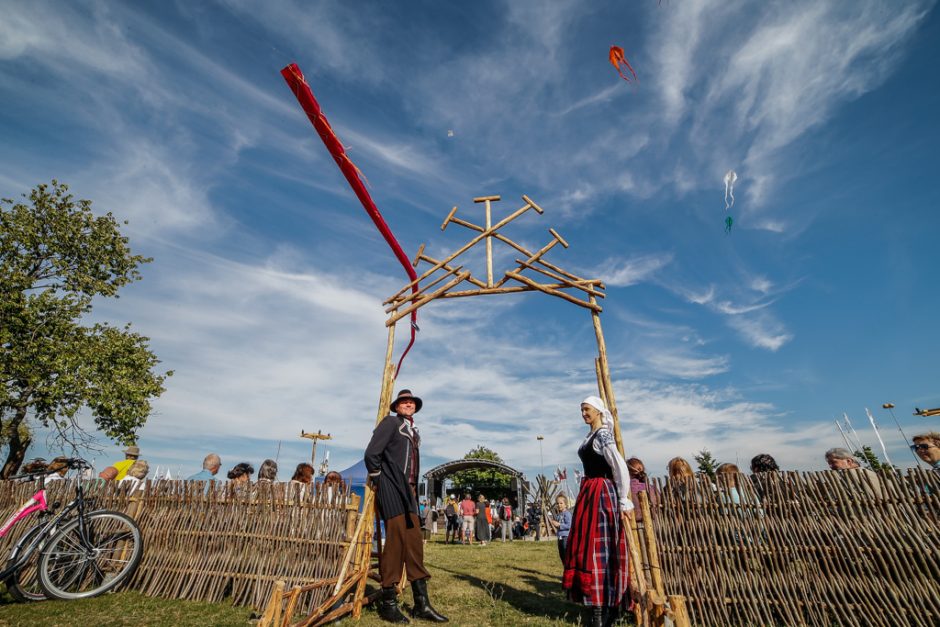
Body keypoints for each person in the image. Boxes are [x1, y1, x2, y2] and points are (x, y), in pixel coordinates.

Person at [364, 389, 447, 623]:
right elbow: (371, 454)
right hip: (392, 489)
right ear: (397, 406)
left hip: (409, 492)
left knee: (414, 543)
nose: (408, 404)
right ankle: (388, 603)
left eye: (411, 402)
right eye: (404, 401)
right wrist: (382, 480)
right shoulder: (391, 423)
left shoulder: (413, 431)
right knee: (396, 542)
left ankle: (422, 604)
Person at [562, 396, 634, 627]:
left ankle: (603, 611)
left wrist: (623, 499)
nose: (583, 413)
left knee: (598, 548)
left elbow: (619, 465)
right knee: (587, 547)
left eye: (586, 409)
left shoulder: (602, 434)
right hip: (590, 492)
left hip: (602, 492)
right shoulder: (591, 435)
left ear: (598, 411)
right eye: (581, 409)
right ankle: (596, 608)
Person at [548, 494, 572, 561]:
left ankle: (568, 569)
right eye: (557, 503)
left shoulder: (567, 514)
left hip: (565, 537)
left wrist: (559, 525)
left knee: (566, 554)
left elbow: (569, 525)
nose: (559, 505)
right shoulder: (559, 515)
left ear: (565, 504)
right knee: (562, 555)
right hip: (560, 537)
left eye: (561, 503)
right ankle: (565, 568)